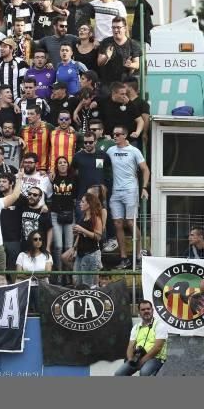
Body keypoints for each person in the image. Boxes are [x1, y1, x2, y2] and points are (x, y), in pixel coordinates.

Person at [107, 124, 150, 269]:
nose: (115, 137)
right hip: (115, 191)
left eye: (118, 134)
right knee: (118, 224)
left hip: (130, 190)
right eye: (114, 134)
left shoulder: (134, 150)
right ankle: (124, 257)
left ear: (125, 135)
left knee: (131, 223)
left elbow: (145, 170)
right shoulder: (110, 150)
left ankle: (138, 256)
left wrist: (144, 187)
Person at [114, 301, 167, 377]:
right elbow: (130, 346)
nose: (146, 311)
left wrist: (142, 361)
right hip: (138, 357)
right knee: (119, 374)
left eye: (148, 309)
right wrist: (130, 360)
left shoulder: (160, 325)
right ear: (139, 312)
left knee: (144, 373)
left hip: (156, 358)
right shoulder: (136, 327)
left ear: (152, 310)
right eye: (143, 309)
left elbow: (157, 347)